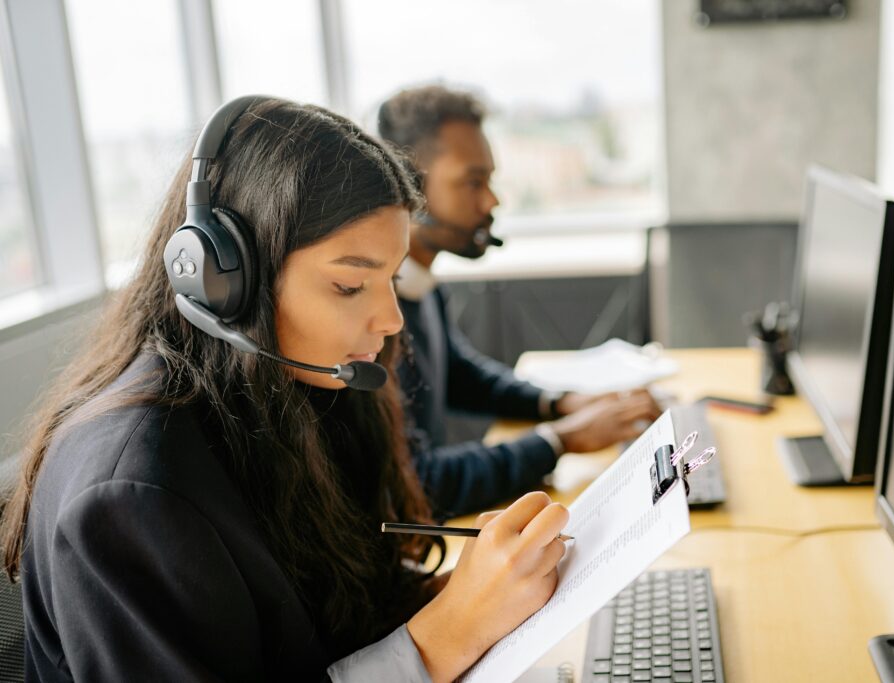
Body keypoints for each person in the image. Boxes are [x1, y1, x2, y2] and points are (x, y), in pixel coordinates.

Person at [0, 97, 569, 682]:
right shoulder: (130, 494)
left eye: (391, 277)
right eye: (350, 285)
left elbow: (324, 633)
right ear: (228, 282)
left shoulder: (297, 391)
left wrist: (474, 592)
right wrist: (448, 633)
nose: (392, 318)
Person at [376, 85, 662, 518]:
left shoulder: (419, 283)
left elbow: (461, 375)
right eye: (474, 182)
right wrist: (560, 439)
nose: (492, 200)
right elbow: (419, 482)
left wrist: (560, 403)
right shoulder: (375, 319)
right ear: (409, 186)